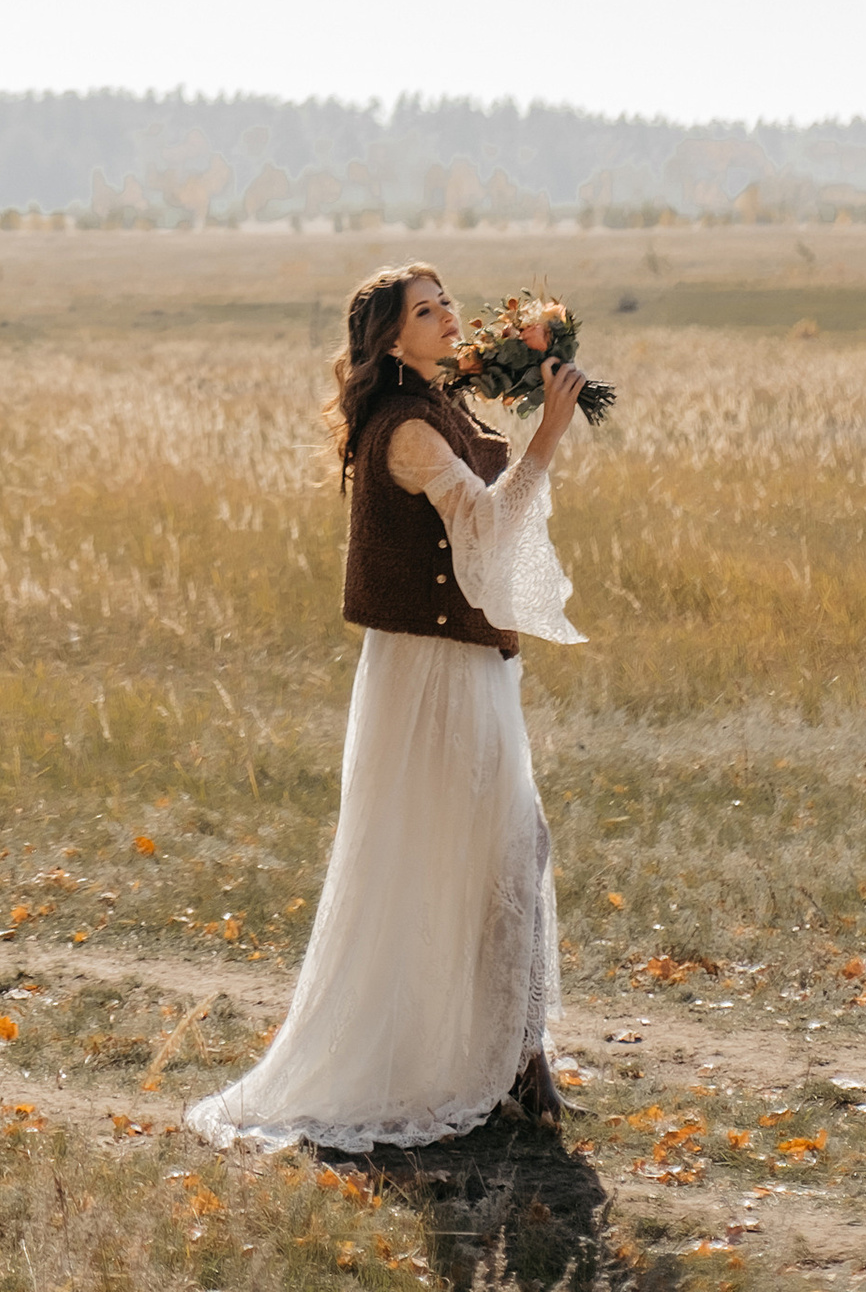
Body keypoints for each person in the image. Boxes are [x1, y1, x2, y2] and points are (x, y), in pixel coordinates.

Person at [187, 261, 586, 1156]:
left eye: (447, 303)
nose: (448, 317)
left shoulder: (443, 407)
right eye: (426, 310)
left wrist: (530, 387)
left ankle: (518, 1060)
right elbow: (482, 529)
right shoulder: (406, 432)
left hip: (468, 665)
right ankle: (503, 1066)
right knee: (482, 855)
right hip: (430, 675)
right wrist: (550, 435)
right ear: (390, 340)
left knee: (510, 851)